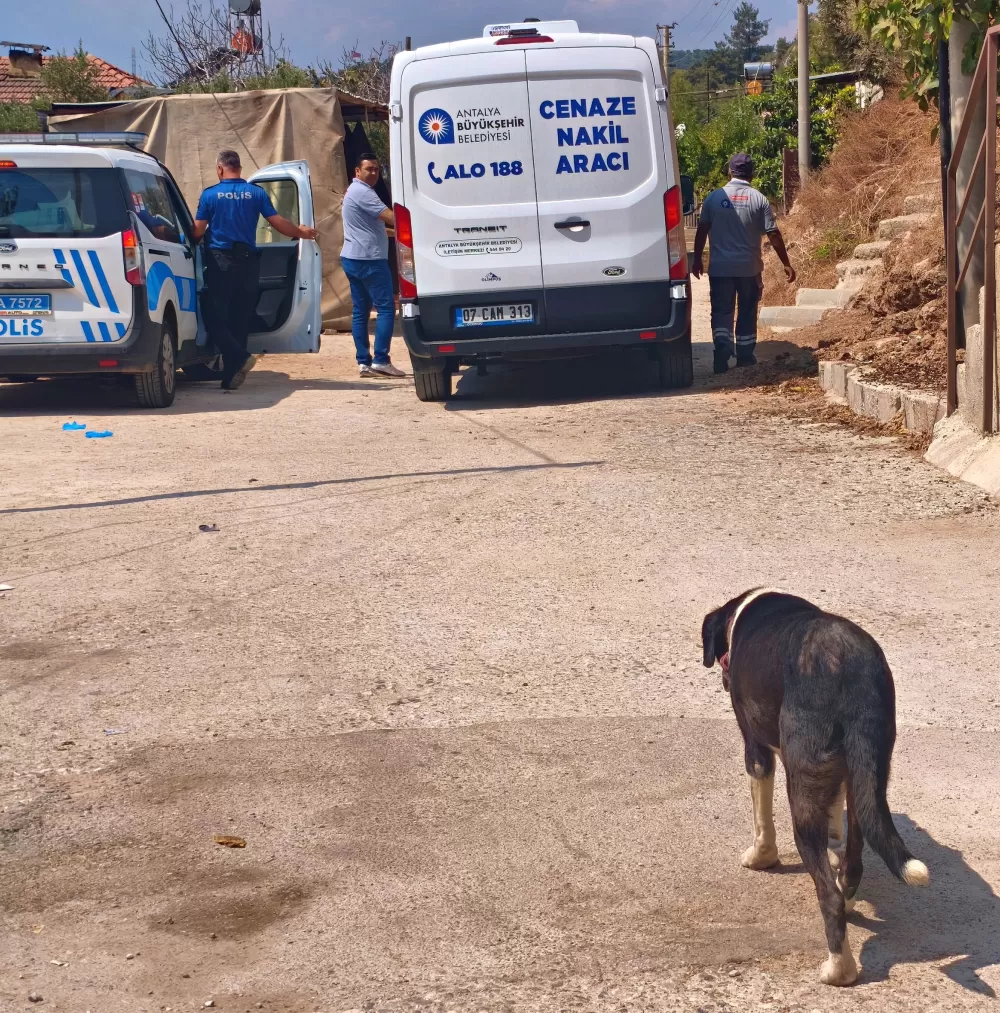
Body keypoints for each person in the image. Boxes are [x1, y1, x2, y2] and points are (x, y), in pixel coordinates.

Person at [193, 149, 318, 390]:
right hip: (249, 263)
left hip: (221, 262)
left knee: (213, 315)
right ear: (239, 168)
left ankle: (238, 358)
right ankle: (231, 376)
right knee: (240, 318)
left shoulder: (210, 195)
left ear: (220, 168)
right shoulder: (256, 193)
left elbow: (198, 230)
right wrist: (300, 232)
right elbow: (278, 222)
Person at [692, 152, 796, 374]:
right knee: (747, 310)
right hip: (749, 269)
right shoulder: (759, 199)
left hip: (720, 269)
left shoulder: (713, 198)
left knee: (721, 310)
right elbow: (773, 233)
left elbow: (701, 230)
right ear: (751, 173)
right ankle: (745, 356)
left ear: (730, 171)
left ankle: (722, 349)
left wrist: (697, 259)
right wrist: (786, 263)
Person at [341, 153, 405, 378]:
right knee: (387, 308)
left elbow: (371, 227)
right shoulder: (364, 192)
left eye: (377, 169)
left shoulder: (354, 192)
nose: (374, 173)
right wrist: (415, 220)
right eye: (369, 169)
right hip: (369, 260)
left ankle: (364, 362)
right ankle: (381, 360)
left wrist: (398, 234)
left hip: (353, 257)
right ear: (357, 172)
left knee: (361, 311)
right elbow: (390, 216)